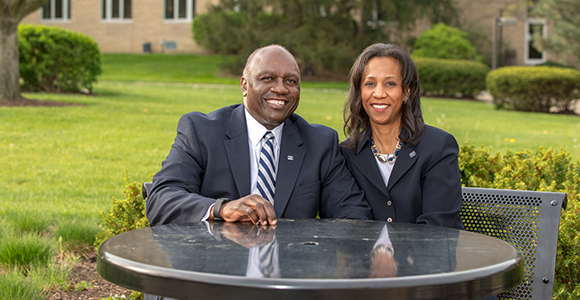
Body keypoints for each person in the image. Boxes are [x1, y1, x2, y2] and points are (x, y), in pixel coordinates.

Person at [146, 44, 371, 227]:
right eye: (267, 78)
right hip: (218, 274)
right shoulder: (201, 131)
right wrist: (221, 209)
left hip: (291, 273)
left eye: (291, 81)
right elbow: (161, 198)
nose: (281, 89)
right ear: (244, 86)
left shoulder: (320, 144)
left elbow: (353, 214)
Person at [340, 43, 464, 229]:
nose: (379, 93)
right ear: (360, 92)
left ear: (407, 91)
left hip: (427, 255)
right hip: (366, 256)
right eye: (370, 84)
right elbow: (346, 218)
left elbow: (438, 225)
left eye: (390, 83)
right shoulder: (347, 154)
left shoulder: (438, 147)